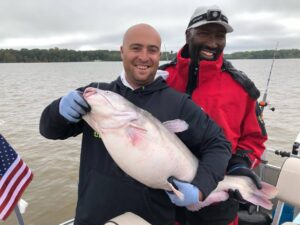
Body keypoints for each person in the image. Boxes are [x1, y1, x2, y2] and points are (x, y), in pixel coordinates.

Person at [39, 23, 231, 225]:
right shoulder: (96, 95)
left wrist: (201, 187)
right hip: (93, 217)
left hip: (152, 219)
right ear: (122, 52)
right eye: (136, 48)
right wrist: (58, 110)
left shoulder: (179, 104)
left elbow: (219, 144)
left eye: (153, 50)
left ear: (159, 55)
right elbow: (49, 130)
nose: (144, 57)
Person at [160, 5, 268, 225]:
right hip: (164, 197)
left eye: (220, 36)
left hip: (219, 204)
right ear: (187, 34)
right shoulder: (161, 79)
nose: (212, 43)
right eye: (204, 33)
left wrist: (240, 166)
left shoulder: (242, 88)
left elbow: (254, 139)